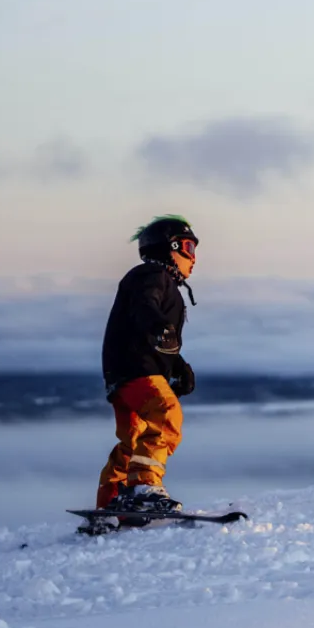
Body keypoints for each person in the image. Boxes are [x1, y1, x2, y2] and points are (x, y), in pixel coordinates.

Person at [95, 215, 200, 514]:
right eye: (189, 248)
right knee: (166, 415)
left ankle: (110, 504)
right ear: (171, 247)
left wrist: (177, 365)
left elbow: (147, 328)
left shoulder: (156, 280)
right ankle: (144, 486)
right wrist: (159, 327)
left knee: (134, 439)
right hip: (139, 371)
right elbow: (146, 308)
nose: (194, 259)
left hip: (123, 373)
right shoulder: (151, 276)